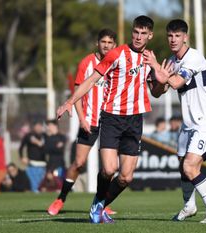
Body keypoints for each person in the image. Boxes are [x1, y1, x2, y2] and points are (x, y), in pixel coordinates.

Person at [56, 15, 168, 224]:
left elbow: (157, 92)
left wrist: (161, 79)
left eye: (143, 33)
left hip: (135, 120)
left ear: (150, 36)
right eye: (136, 32)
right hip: (111, 118)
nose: (138, 36)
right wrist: (70, 101)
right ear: (132, 31)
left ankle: (99, 205)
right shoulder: (117, 54)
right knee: (109, 169)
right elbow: (91, 80)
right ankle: (98, 204)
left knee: (126, 177)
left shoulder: (150, 58)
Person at [144, 19, 206, 223]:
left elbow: (177, 82)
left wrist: (157, 68)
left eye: (177, 35)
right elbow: (158, 92)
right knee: (182, 167)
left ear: (185, 37)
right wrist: (154, 76)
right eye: (170, 35)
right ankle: (189, 207)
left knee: (190, 167)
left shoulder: (194, 58)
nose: (173, 39)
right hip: (189, 124)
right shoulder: (171, 61)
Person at [47, 28, 117, 216]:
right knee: (78, 163)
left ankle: (101, 202)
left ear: (114, 45)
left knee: (108, 168)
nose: (106, 45)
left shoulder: (116, 63)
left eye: (110, 43)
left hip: (110, 122)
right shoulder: (87, 63)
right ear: (97, 43)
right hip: (90, 120)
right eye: (103, 42)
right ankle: (60, 198)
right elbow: (77, 93)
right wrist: (82, 118)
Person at [19, 121, 46, 193]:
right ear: (34, 127)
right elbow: (21, 147)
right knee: (33, 182)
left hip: (43, 163)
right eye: (37, 126)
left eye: (40, 126)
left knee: (42, 182)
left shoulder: (45, 136)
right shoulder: (28, 135)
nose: (38, 128)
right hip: (32, 163)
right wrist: (22, 157)